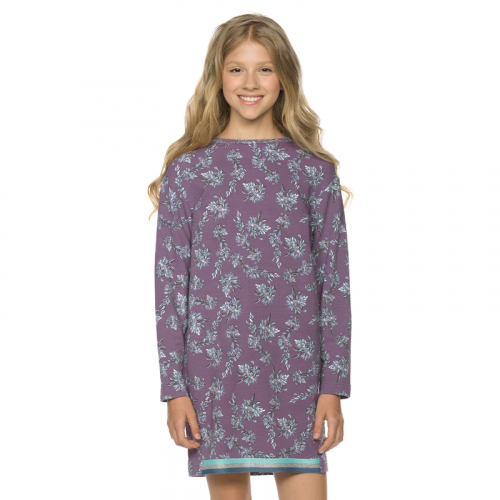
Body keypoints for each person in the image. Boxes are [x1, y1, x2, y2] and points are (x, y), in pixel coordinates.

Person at [148, 13, 353, 500]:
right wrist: (174, 388)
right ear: (217, 77)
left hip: (298, 375)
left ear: (284, 77)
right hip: (216, 371)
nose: (250, 83)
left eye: (265, 69)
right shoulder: (189, 172)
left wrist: (334, 385)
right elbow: (170, 287)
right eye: (236, 69)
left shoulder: (312, 172)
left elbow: (335, 285)